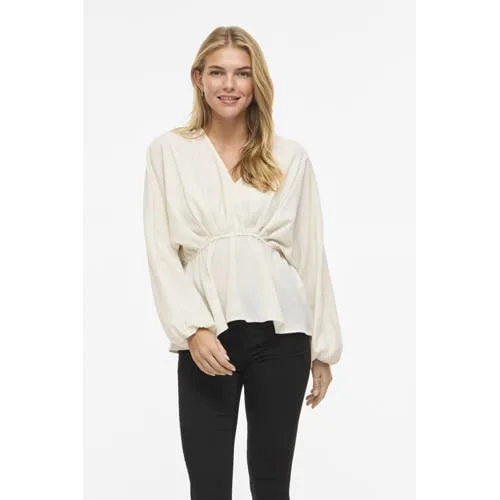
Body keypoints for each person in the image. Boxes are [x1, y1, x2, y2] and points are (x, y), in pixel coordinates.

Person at [142, 25, 343, 500]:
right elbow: (160, 251)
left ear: (257, 81)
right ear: (198, 78)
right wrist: (193, 329)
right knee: (208, 486)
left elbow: (309, 253)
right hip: (207, 338)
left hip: (283, 337)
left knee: (272, 485)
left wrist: (323, 348)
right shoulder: (169, 151)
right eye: (217, 72)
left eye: (242, 73)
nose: (229, 85)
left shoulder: (289, 156)